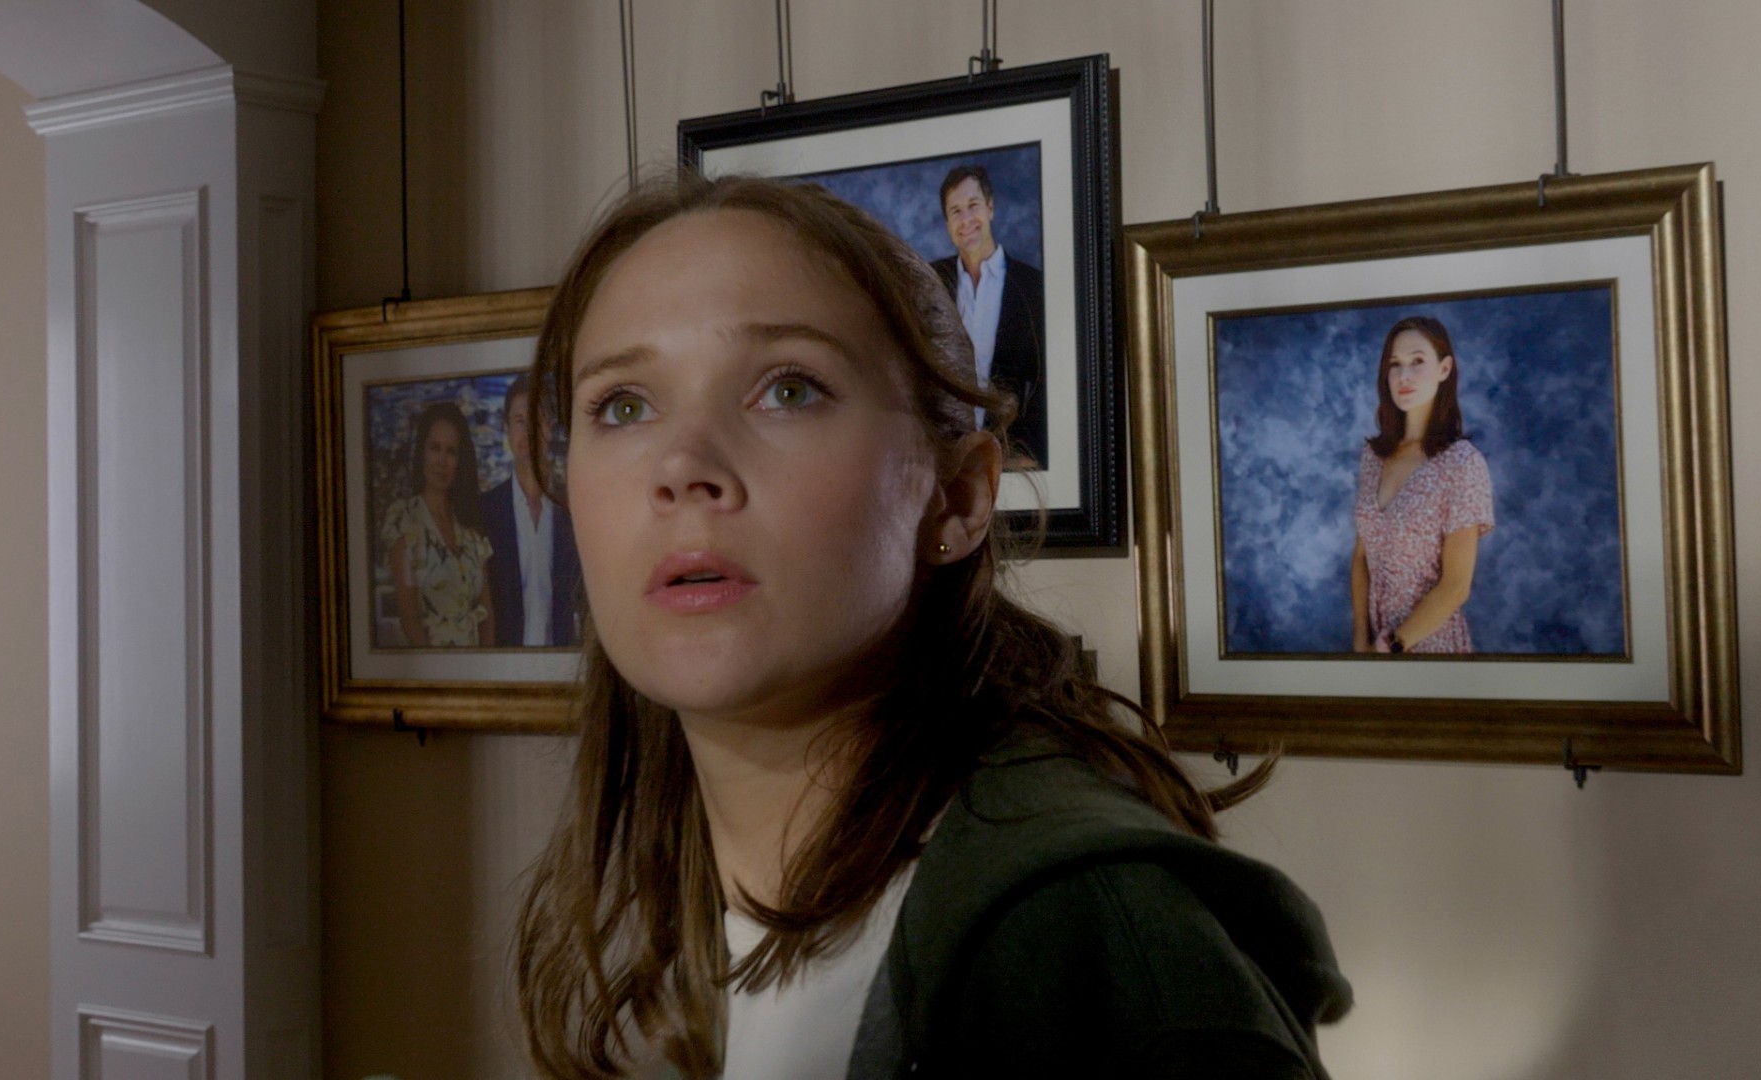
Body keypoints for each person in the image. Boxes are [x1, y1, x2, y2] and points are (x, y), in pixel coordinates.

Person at [513, 173, 1349, 1079]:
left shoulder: (1089, 948)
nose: (681, 465)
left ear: (957, 498)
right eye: (624, 406)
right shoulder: (727, 922)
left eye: (787, 390)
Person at [1350, 315, 1496, 655]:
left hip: (1431, 648)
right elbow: (1360, 559)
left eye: (1417, 361)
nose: (1404, 375)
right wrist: (1361, 641)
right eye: (1395, 364)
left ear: (1444, 369)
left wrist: (1393, 645)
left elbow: (1456, 586)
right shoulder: (1373, 457)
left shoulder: (1462, 464)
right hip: (1373, 650)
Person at [928, 164, 1047, 468]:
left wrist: (1027, 455)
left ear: (990, 209)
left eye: (973, 205)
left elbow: (1046, 382)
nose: (966, 219)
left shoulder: (1033, 287)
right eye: (955, 211)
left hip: (1013, 461)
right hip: (946, 462)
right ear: (947, 223)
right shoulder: (929, 282)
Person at [478, 377, 583, 647]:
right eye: (519, 421)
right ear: (506, 428)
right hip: (504, 662)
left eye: (537, 420)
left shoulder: (572, 509)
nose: (528, 432)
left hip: (561, 661)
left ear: (550, 428)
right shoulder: (485, 510)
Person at [380, 401, 495, 647]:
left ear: (460, 461)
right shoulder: (404, 519)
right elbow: (409, 619)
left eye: (451, 451)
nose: (442, 460)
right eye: (435, 448)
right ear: (422, 451)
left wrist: (487, 666)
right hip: (431, 664)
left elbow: (487, 614)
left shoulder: (471, 525)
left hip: (478, 663)